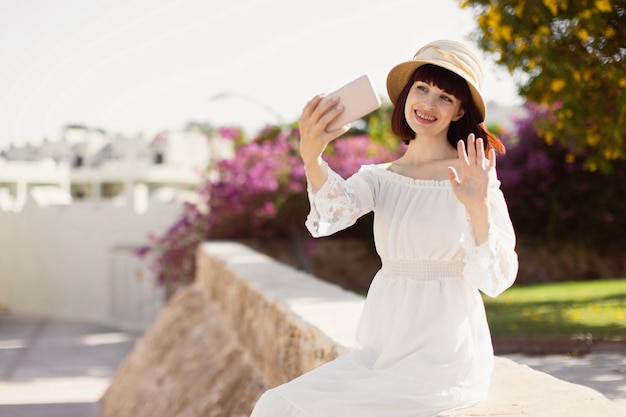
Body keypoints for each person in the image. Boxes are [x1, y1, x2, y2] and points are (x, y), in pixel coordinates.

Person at [250, 39, 519, 417]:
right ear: (407, 95)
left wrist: (477, 205)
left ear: (459, 111)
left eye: (445, 97)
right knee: (276, 404)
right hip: (382, 348)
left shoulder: (475, 177)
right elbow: (332, 213)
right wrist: (312, 156)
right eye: (422, 89)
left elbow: (495, 278)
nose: (428, 104)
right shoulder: (380, 178)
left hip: (445, 357)